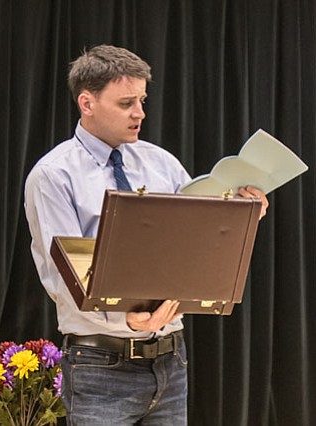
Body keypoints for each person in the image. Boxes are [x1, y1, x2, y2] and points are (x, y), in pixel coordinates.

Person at [24, 45, 268, 425]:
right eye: (126, 103)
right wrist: (128, 318)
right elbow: (63, 277)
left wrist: (241, 213)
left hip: (170, 361)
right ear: (86, 103)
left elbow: (196, 242)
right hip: (99, 364)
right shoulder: (54, 175)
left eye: (141, 99)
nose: (140, 112)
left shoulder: (160, 162)